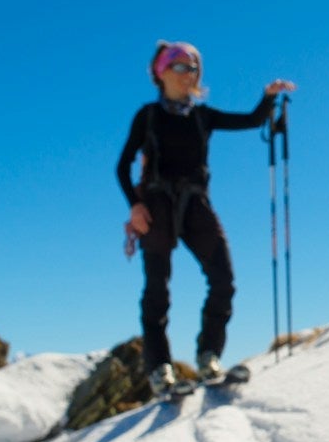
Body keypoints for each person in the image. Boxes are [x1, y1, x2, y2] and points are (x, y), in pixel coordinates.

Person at [116, 40, 296, 399]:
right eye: (180, 66)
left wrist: (268, 97)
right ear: (160, 72)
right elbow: (122, 166)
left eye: (193, 67)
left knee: (223, 278)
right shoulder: (147, 116)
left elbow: (251, 120)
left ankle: (208, 356)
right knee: (157, 290)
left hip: (196, 204)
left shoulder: (203, 116)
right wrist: (135, 206)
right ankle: (159, 370)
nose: (188, 74)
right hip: (156, 205)